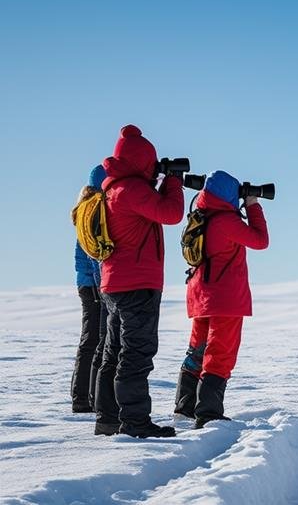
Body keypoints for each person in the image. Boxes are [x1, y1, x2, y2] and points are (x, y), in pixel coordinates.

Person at [93, 125, 184, 438]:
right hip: (137, 285)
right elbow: (171, 213)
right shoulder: (131, 189)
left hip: (115, 284)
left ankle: (107, 419)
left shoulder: (115, 189)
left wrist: (159, 180)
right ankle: (135, 422)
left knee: (114, 352)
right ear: (142, 160)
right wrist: (173, 181)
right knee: (136, 353)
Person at [174, 170, 268, 428]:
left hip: (201, 295)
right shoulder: (226, 221)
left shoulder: (201, 216)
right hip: (225, 297)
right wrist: (253, 206)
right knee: (220, 352)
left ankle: (185, 407)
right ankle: (208, 412)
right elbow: (261, 241)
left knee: (197, 349)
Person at [70, 165, 110, 413]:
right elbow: (94, 253)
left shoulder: (85, 207)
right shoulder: (98, 207)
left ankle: (82, 396)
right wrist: (101, 285)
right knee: (97, 340)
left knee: (90, 339)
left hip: (86, 283)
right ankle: (89, 398)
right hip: (95, 283)